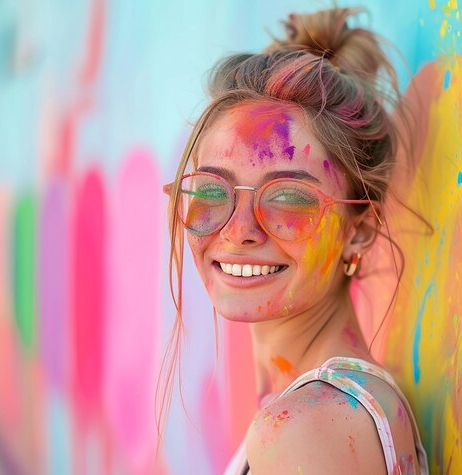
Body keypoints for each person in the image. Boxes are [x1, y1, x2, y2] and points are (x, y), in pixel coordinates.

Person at [161, 7, 429, 475]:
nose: (239, 229)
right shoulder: (325, 411)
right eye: (209, 189)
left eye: (287, 198)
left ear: (359, 229)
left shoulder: (303, 428)